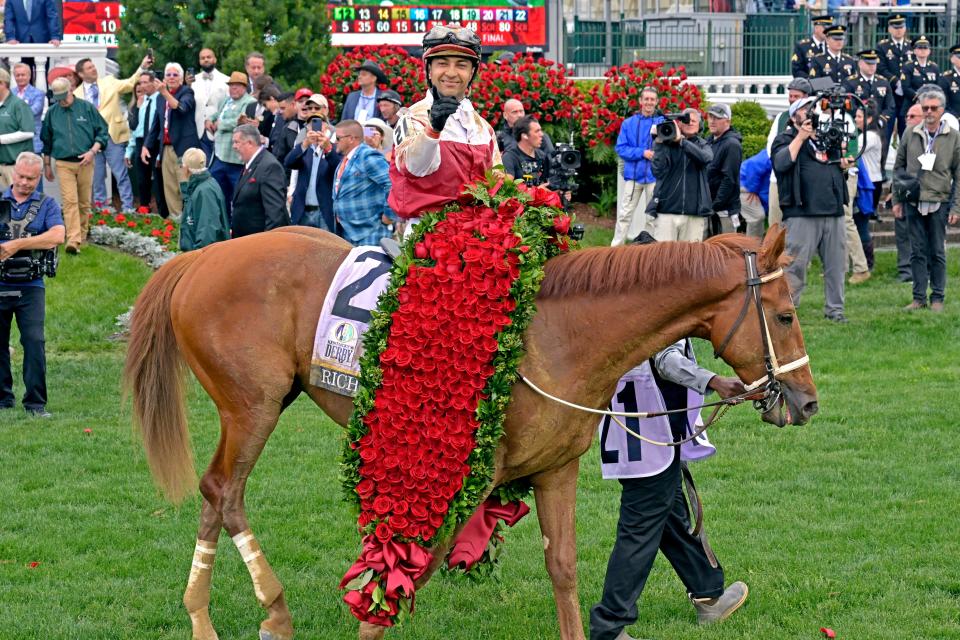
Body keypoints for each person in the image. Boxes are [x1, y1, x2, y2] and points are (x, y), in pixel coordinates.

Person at [591, 331, 749, 640]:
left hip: (642, 435)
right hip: (651, 436)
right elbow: (666, 360)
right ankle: (609, 626)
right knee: (640, 529)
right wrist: (714, 380)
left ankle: (708, 593)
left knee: (670, 515)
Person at [390, 23, 500, 236]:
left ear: (471, 73)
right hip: (424, 235)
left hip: (476, 235)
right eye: (442, 63)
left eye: (461, 65)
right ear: (429, 71)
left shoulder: (483, 128)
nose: (451, 73)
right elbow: (413, 167)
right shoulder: (412, 117)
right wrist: (434, 128)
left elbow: (497, 182)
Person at [772, 96, 853, 323]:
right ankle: (787, 310)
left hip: (833, 210)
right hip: (801, 213)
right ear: (793, 116)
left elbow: (837, 168)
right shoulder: (785, 138)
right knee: (795, 266)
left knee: (836, 267)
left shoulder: (826, 138)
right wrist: (801, 136)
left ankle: (835, 311)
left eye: (812, 107)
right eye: (804, 108)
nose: (809, 112)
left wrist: (844, 165)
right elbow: (781, 163)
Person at [0, 152, 64, 418]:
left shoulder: (48, 204)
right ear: (14, 173)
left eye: (31, 178)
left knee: (34, 341)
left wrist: (17, 244)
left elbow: (57, 235)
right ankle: (3, 398)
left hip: (31, 285)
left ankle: (35, 403)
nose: (25, 182)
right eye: (21, 176)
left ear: (39, 178)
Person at [893, 87, 960, 312]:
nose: (929, 112)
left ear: (942, 110)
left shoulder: (953, 135)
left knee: (937, 251)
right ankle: (918, 297)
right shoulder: (910, 133)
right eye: (925, 108)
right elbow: (898, 167)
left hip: (939, 200)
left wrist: (956, 206)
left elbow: (959, 174)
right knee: (917, 251)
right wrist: (896, 200)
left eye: (933, 108)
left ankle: (938, 297)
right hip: (913, 200)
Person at [75, 55, 152, 212]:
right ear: (81, 74)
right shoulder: (76, 94)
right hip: (92, 140)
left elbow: (130, 83)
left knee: (121, 174)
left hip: (112, 135)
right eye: (89, 68)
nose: (93, 69)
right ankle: (101, 209)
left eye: (93, 66)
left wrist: (142, 67)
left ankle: (128, 208)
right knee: (97, 178)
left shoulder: (109, 81)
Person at [40, 77, 108, 254]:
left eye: (64, 96)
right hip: (63, 163)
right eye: (58, 97)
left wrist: (92, 151)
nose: (62, 100)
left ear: (71, 90)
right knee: (70, 201)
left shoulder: (86, 108)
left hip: (86, 161)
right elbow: (46, 140)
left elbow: (102, 131)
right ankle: (73, 239)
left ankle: (82, 236)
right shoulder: (52, 113)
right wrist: (47, 164)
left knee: (84, 202)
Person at [143, 63, 200, 219]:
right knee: (170, 187)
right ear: (164, 78)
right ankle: (176, 221)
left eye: (175, 75)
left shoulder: (186, 92)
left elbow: (180, 108)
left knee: (186, 186)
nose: (171, 78)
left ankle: (190, 221)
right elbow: (156, 124)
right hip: (166, 148)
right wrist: (146, 146)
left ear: (181, 78)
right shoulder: (161, 98)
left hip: (184, 148)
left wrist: (164, 92)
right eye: (168, 75)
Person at [649, 108, 713, 243]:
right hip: (666, 211)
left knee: (690, 260)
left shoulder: (703, 145)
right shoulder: (666, 144)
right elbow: (657, 171)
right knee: (664, 258)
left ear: (699, 125)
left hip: (694, 213)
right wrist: (659, 144)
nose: (689, 123)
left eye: (693, 121)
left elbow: (705, 158)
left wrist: (682, 142)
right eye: (685, 120)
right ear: (679, 125)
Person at [612, 86, 661, 246]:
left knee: (653, 216)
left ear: (656, 102)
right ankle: (616, 248)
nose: (649, 102)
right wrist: (642, 153)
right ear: (640, 101)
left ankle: (650, 249)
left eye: (652, 99)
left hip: (654, 177)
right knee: (625, 214)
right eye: (646, 99)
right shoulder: (628, 123)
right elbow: (621, 148)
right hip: (633, 177)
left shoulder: (662, 123)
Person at [332, 119, 392, 246]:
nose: (335, 142)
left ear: (351, 139)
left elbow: (391, 183)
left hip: (370, 232)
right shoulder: (347, 158)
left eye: (338, 138)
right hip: (349, 231)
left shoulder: (367, 156)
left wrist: (389, 215)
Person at [766, 78, 812, 230]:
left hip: (804, 180)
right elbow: (770, 148)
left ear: (806, 97)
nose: (791, 99)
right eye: (790, 96)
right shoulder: (781, 118)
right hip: (779, 179)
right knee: (775, 225)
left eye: (796, 96)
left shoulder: (815, 118)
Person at [207, 71, 255, 216]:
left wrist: (220, 124)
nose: (233, 88)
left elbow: (241, 122)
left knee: (238, 196)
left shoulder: (249, 102)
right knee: (218, 194)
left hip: (236, 159)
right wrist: (209, 120)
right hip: (219, 156)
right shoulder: (226, 101)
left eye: (237, 86)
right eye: (231, 85)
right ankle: (224, 225)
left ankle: (238, 228)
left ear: (244, 87)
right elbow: (217, 115)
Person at [230, 124, 288, 238]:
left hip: (259, 244)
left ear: (250, 143)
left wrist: (266, 245)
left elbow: (274, 213)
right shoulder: (250, 164)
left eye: (237, 142)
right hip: (245, 241)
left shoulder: (269, 167)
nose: (234, 146)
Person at [285, 116, 340, 231]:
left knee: (326, 247)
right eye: (311, 124)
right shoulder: (304, 149)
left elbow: (338, 168)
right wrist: (305, 144)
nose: (315, 127)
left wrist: (328, 148)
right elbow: (289, 162)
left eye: (320, 124)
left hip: (324, 211)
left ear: (327, 127)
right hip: (302, 211)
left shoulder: (335, 148)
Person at [853, 104, 884, 275]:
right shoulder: (866, 135)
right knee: (858, 223)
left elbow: (852, 152)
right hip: (868, 183)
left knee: (861, 223)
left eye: (859, 116)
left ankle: (867, 263)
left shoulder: (869, 136)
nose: (856, 119)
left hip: (868, 184)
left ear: (869, 119)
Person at [178, 148, 228, 251]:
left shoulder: (204, 192)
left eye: (182, 166)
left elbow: (207, 233)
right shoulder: (202, 186)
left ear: (186, 169)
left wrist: (196, 258)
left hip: (203, 258)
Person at [705, 103, 742, 236]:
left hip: (724, 211)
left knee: (727, 253)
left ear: (728, 121)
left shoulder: (732, 144)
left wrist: (714, 206)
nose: (712, 121)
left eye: (717, 117)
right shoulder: (709, 140)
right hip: (710, 209)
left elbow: (729, 180)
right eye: (710, 116)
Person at [125, 71, 159, 210]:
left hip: (155, 140)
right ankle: (144, 207)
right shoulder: (141, 102)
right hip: (140, 141)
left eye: (145, 82)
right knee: (141, 178)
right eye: (140, 83)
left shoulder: (160, 99)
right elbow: (135, 128)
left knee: (158, 177)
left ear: (153, 82)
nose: (142, 86)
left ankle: (163, 210)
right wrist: (129, 151)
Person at [0, 68, 38, 191]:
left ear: (3, 84)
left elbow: (28, 132)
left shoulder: (18, 104)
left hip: (15, 166)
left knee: (19, 203)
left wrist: (1, 139)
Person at [876, 14, 912, 137]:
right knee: (886, 132)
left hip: (907, 95)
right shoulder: (882, 46)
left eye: (901, 27)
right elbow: (881, 68)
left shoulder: (911, 45)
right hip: (889, 92)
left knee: (906, 132)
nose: (898, 30)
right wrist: (896, 81)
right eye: (895, 27)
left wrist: (905, 84)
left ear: (905, 28)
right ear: (889, 29)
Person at [192, 48, 229, 161]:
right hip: (198, 131)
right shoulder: (193, 81)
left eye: (209, 57)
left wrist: (219, 122)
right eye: (203, 58)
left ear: (215, 59)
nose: (206, 60)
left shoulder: (226, 80)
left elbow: (229, 105)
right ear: (199, 61)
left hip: (218, 130)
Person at [843, 50, 896, 130]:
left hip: (879, 125)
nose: (872, 66)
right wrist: (862, 118)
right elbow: (849, 104)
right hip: (858, 125)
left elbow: (890, 106)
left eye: (874, 64)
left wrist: (881, 119)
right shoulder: (850, 82)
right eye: (868, 63)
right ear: (860, 64)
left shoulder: (883, 82)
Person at [502, 115, 552, 185]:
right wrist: (538, 191)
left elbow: (548, 182)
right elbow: (507, 188)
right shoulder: (509, 157)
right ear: (524, 136)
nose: (541, 134)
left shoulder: (542, 156)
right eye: (537, 131)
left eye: (540, 130)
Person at [900, 36, 940, 116]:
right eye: (919, 48)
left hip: (930, 107)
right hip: (911, 105)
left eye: (925, 48)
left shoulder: (934, 67)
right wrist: (920, 97)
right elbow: (906, 87)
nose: (923, 50)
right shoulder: (908, 66)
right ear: (914, 51)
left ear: (929, 51)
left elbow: (937, 86)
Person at [11, 63, 44, 155]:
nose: (20, 77)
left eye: (23, 75)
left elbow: (33, 111)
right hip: (14, 141)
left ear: (29, 76)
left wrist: (13, 114)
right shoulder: (9, 93)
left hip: (32, 141)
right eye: (17, 75)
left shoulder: (38, 93)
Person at [738, 148, 771, 239]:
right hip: (746, 187)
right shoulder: (769, 154)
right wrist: (753, 189)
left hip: (750, 186)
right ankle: (752, 250)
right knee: (757, 217)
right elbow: (752, 165)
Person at [791, 14, 833, 78]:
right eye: (825, 28)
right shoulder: (802, 46)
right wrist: (812, 81)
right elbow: (797, 70)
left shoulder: (832, 46)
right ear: (816, 28)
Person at [937, 45, 960, 118]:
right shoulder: (945, 78)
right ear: (952, 59)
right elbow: (944, 103)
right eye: (959, 57)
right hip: (953, 119)